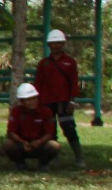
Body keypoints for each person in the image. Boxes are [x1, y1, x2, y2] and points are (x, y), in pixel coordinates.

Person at [34, 29, 85, 168]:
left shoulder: (70, 62)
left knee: (69, 129)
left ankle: (79, 157)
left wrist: (72, 100)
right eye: (53, 43)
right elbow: (38, 83)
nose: (56, 46)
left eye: (58, 43)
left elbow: (74, 82)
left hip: (64, 101)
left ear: (63, 44)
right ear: (49, 45)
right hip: (47, 102)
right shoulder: (43, 63)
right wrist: (37, 101)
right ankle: (53, 157)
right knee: (50, 130)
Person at [3, 82, 59, 172]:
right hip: (21, 144)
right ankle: (20, 163)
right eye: (28, 100)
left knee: (54, 145)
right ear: (22, 101)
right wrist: (22, 142)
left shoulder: (46, 111)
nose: (32, 102)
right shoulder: (16, 111)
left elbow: (50, 133)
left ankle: (43, 164)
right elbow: (11, 132)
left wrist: (39, 142)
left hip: (40, 144)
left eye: (34, 98)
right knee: (8, 144)